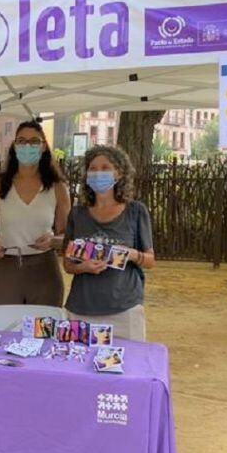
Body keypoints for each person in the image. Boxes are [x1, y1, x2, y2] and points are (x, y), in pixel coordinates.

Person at [62, 145, 155, 341]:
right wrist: (83, 268)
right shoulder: (77, 214)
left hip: (124, 310)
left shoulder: (136, 211)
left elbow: (150, 260)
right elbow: (68, 263)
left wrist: (130, 254)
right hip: (81, 309)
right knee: (78, 367)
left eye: (105, 168)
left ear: (119, 174)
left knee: (128, 366)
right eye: (92, 169)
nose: (98, 173)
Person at [0, 120, 70, 306]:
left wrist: (54, 241)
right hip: (7, 265)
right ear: (14, 146)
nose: (28, 146)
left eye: (34, 141)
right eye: (21, 141)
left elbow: (67, 234)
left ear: (44, 147)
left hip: (45, 268)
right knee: (3, 326)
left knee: (43, 329)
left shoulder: (57, 187)